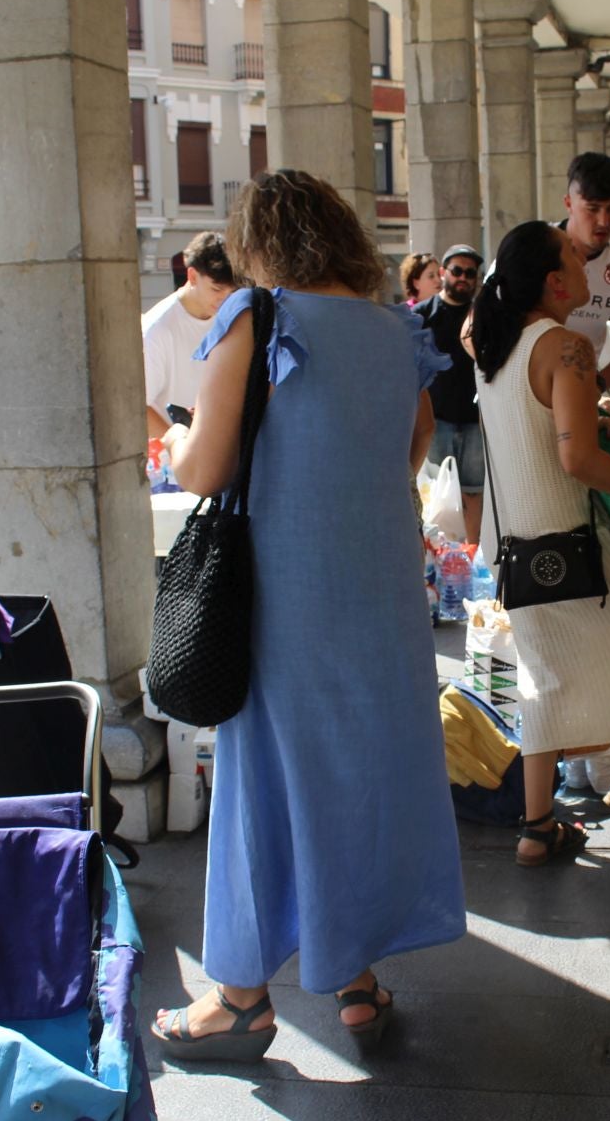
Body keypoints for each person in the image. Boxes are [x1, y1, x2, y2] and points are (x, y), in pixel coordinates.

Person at [151, 169, 465, 1061]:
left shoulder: (259, 317)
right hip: (382, 592)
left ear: (262, 241)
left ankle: (240, 999)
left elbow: (204, 470)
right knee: (361, 774)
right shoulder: (394, 328)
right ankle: (355, 979)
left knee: (265, 779)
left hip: (287, 592)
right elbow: (410, 450)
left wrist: (176, 437)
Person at [468, 220, 610, 865]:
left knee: (546, 676)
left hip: (517, 545)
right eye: (573, 255)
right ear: (552, 279)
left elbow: (533, 422)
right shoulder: (566, 345)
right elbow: (576, 459)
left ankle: (537, 826)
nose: (586, 266)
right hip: (572, 543)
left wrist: (590, 422)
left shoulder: (494, 345)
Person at [549, 153, 610, 401]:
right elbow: (473, 330)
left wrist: (595, 385)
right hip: (525, 396)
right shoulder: (529, 247)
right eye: (592, 209)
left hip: (579, 396)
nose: (604, 221)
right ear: (569, 203)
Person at [414, 244, 484, 548]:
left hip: (475, 421)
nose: (463, 278)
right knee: (436, 492)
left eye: (470, 273)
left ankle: (473, 553)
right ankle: (440, 559)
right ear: (443, 273)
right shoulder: (422, 315)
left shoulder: (483, 315)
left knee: (473, 492)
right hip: (435, 420)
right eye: (457, 270)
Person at [141, 231, 239, 442]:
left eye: (231, 292)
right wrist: (182, 448)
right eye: (216, 289)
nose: (224, 299)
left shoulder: (228, 318)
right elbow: (138, 407)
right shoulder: (157, 329)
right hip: (174, 464)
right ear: (192, 276)